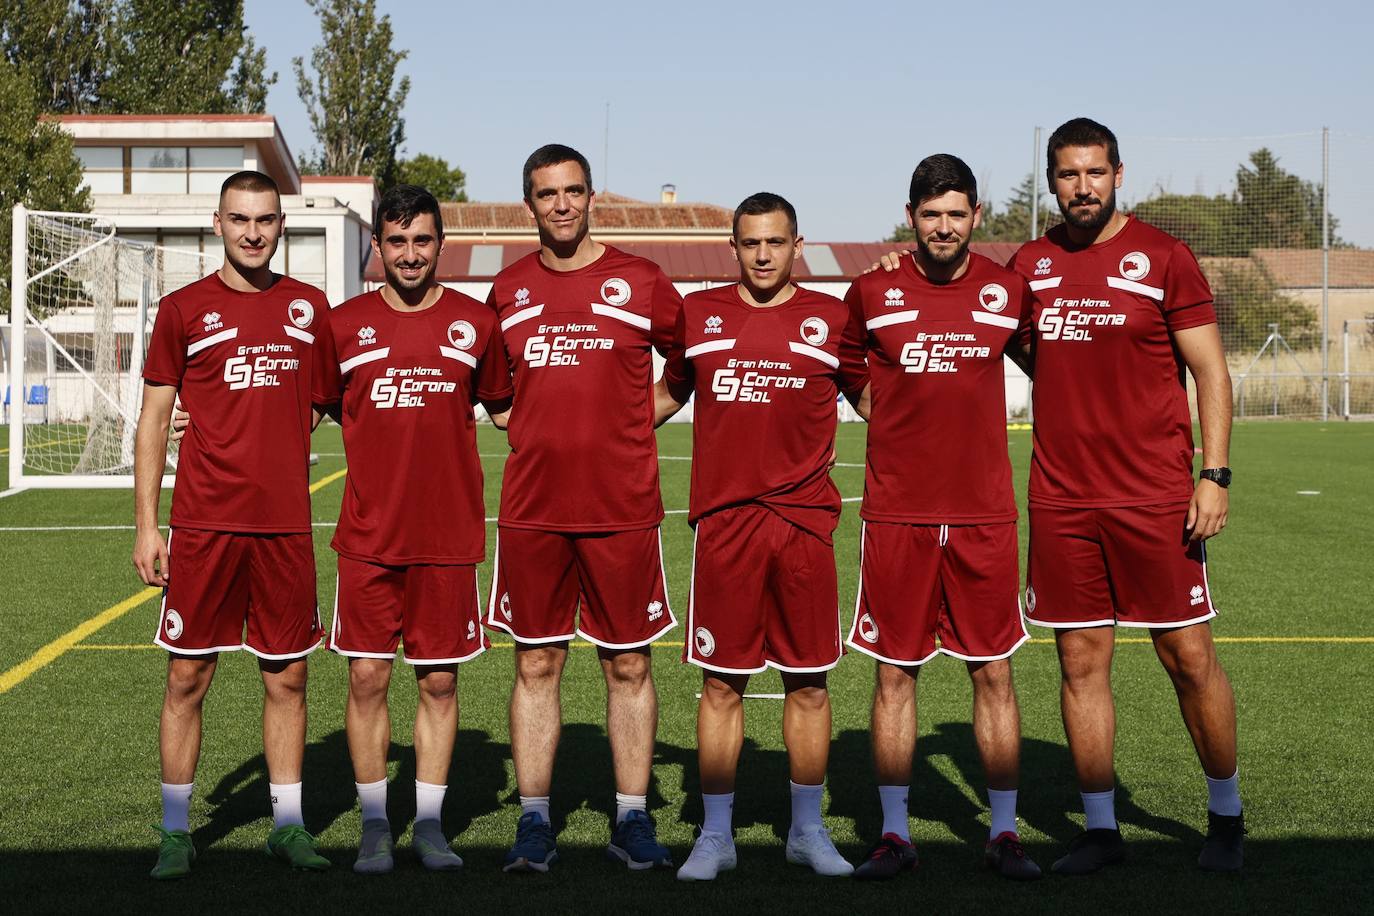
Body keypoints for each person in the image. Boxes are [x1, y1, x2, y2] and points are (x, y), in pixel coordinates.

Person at [1007, 117, 1242, 874]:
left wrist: (1214, 474)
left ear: (1118, 174)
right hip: (1063, 499)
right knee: (1080, 661)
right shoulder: (1031, 264)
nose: (1083, 187)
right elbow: (997, 328)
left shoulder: (1165, 258)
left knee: (1188, 657)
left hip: (1154, 496)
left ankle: (1227, 817)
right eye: (1069, 175)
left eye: (1095, 173)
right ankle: (1102, 830)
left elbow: (1210, 371)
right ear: (1053, 182)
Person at [838, 155, 1041, 881]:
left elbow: (1052, 364)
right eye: (931, 215)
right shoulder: (871, 291)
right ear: (910, 217)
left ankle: (1006, 832)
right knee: (896, 673)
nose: (944, 227)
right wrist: (889, 421)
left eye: (957, 214)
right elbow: (847, 369)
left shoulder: (1008, 290)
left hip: (985, 513)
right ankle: (894, 833)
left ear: (977, 216)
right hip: (899, 514)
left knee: (993, 672)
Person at [655, 192, 865, 881]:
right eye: (751, 243)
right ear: (734, 246)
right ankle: (716, 836)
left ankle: (807, 830)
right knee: (722, 686)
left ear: (797, 245)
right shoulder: (700, 314)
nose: (764, 254)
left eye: (776, 242)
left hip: (805, 525)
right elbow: (663, 397)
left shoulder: (835, 320)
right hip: (727, 526)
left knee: (808, 683)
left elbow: (882, 403)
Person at [484, 144, 682, 872]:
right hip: (533, 510)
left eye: (572, 191)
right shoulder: (505, 292)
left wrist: (638, 419)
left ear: (592, 196)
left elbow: (689, 366)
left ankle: (631, 820)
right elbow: (495, 398)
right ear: (528, 205)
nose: (561, 205)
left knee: (628, 665)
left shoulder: (643, 280)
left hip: (623, 508)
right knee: (536, 664)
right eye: (546, 194)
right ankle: (535, 821)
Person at [133, 170, 332, 879]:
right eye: (240, 219)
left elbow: (323, 402)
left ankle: (287, 825)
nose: (253, 232)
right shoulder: (183, 309)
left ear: (282, 226)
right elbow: (155, 418)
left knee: (288, 678)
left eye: (267, 220)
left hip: (283, 527)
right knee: (188, 676)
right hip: (205, 524)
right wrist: (147, 526)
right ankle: (178, 832)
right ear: (217, 224)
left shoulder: (310, 309)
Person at [311, 185, 514, 873]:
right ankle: (374, 825)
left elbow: (511, 413)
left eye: (422, 240)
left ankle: (427, 825)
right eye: (395, 241)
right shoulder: (341, 327)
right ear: (376, 245)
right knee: (367, 678)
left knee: (438, 683)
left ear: (441, 244)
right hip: (368, 537)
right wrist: (206, 417)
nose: (409, 254)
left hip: (447, 539)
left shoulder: (475, 324)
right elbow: (308, 411)